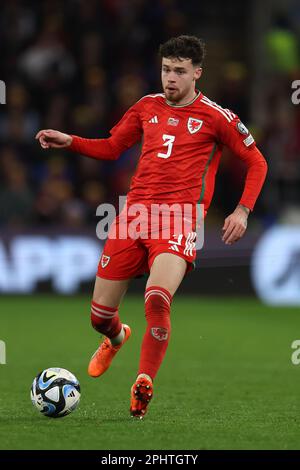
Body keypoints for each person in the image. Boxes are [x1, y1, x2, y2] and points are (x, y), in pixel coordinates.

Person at [36, 35, 268, 419]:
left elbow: (257, 163)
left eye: (179, 71)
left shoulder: (218, 117)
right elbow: (112, 147)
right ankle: (116, 337)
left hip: (179, 219)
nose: (170, 78)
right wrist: (70, 141)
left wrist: (242, 210)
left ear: (197, 73)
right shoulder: (147, 106)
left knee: (157, 299)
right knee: (98, 317)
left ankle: (144, 382)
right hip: (132, 217)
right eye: (165, 69)